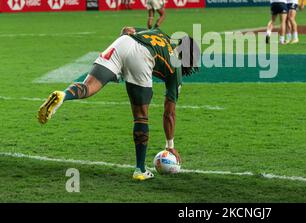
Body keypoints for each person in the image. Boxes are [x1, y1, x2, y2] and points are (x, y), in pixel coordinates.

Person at [37, 26, 200, 181]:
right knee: (141, 116)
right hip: (142, 56)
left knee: (88, 87)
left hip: (123, 43)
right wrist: (169, 145)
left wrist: (121, 65)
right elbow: (169, 113)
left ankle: (63, 95)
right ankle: (140, 170)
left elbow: (127, 30)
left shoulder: (158, 33)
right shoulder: (176, 69)